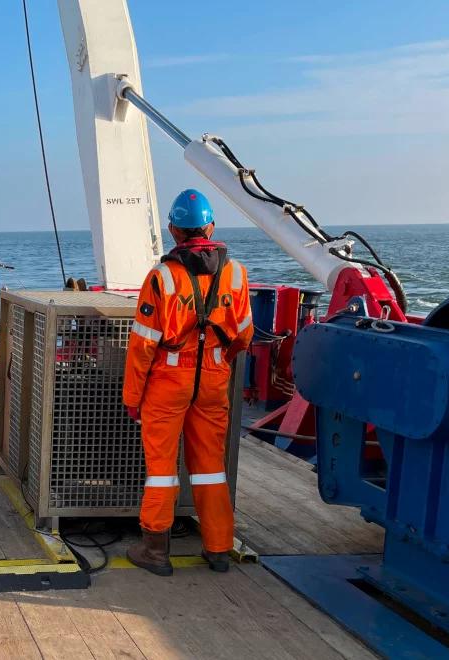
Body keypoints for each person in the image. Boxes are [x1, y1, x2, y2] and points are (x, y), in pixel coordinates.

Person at [122, 189, 253, 576]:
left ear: (173, 230)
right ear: (210, 226)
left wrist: (133, 396)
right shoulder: (236, 273)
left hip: (168, 379)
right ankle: (218, 550)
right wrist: (218, 360)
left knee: (162, 466)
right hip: (213, 378)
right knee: (211, 466)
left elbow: (143, 344)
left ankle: (156, 551)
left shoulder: (162, 276)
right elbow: (245, 334)